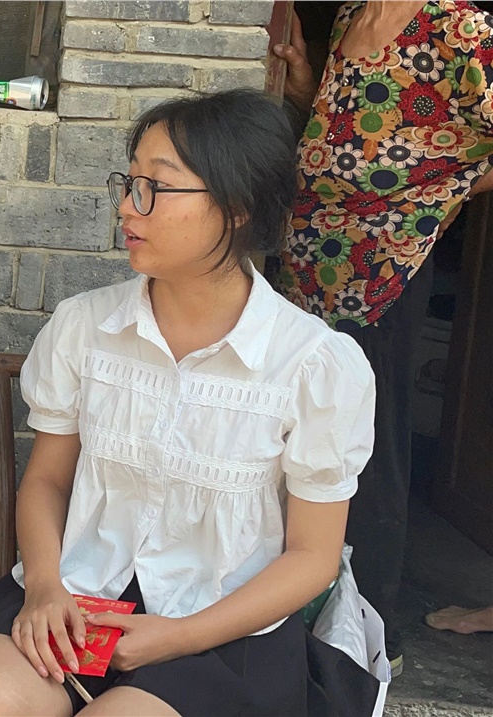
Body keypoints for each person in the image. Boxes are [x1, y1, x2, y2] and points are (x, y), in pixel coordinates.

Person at [0, 89, 383, 717]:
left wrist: (178, 637)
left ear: (236, 207)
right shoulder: (85, 328)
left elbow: (313, 558)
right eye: (130, 184)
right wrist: (43, 586)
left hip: (222, 630)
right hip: (77, 597)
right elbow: (46, 481)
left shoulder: (314, 365)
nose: (129, 206)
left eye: (156, 187)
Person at [271, 0, 493, 673]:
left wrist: (445, 191)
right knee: (302, 430)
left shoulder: (457, 28)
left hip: (388, 268)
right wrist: (305, 83)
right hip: (312, 261)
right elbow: (342, 128)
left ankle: (373, 636)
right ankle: (295, 612)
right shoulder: (350, 16)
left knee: (369, 446)